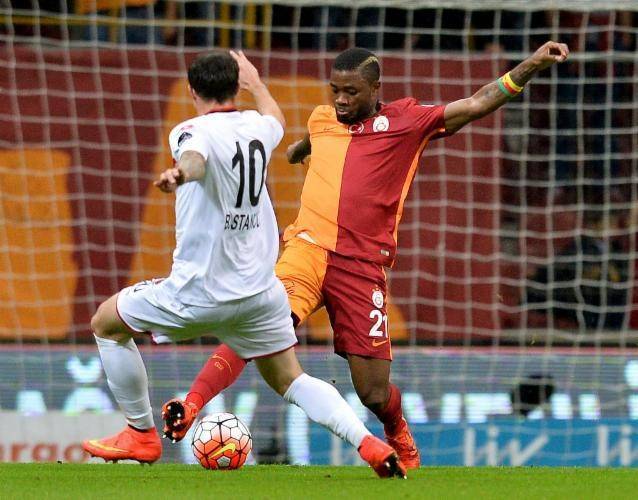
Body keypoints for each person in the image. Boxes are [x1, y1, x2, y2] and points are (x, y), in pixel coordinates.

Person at [162, 41, 570, 469]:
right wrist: (301, 149)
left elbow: (476, 103)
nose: (340, 100)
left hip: (361, 267)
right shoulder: (323, 118)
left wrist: (532, 64)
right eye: (335, 90)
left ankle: (396, 428)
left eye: (351, 92)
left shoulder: (407, 121)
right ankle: (191, 405)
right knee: (258, 322)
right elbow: (315, 139)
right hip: (305, 251)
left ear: (375, 89)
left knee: (373, 392)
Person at [82, 50, 406, 479]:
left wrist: (179, 174)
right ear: (236, 88)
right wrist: (256, 83)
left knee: (105, 323)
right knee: (291, 380)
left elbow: (195, 159)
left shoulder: (190, 131)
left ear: (193, 90)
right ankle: (368, 444)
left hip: (198, 292)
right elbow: (275, 116)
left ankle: (141, 433)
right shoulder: (258, 126)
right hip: (260, 292)